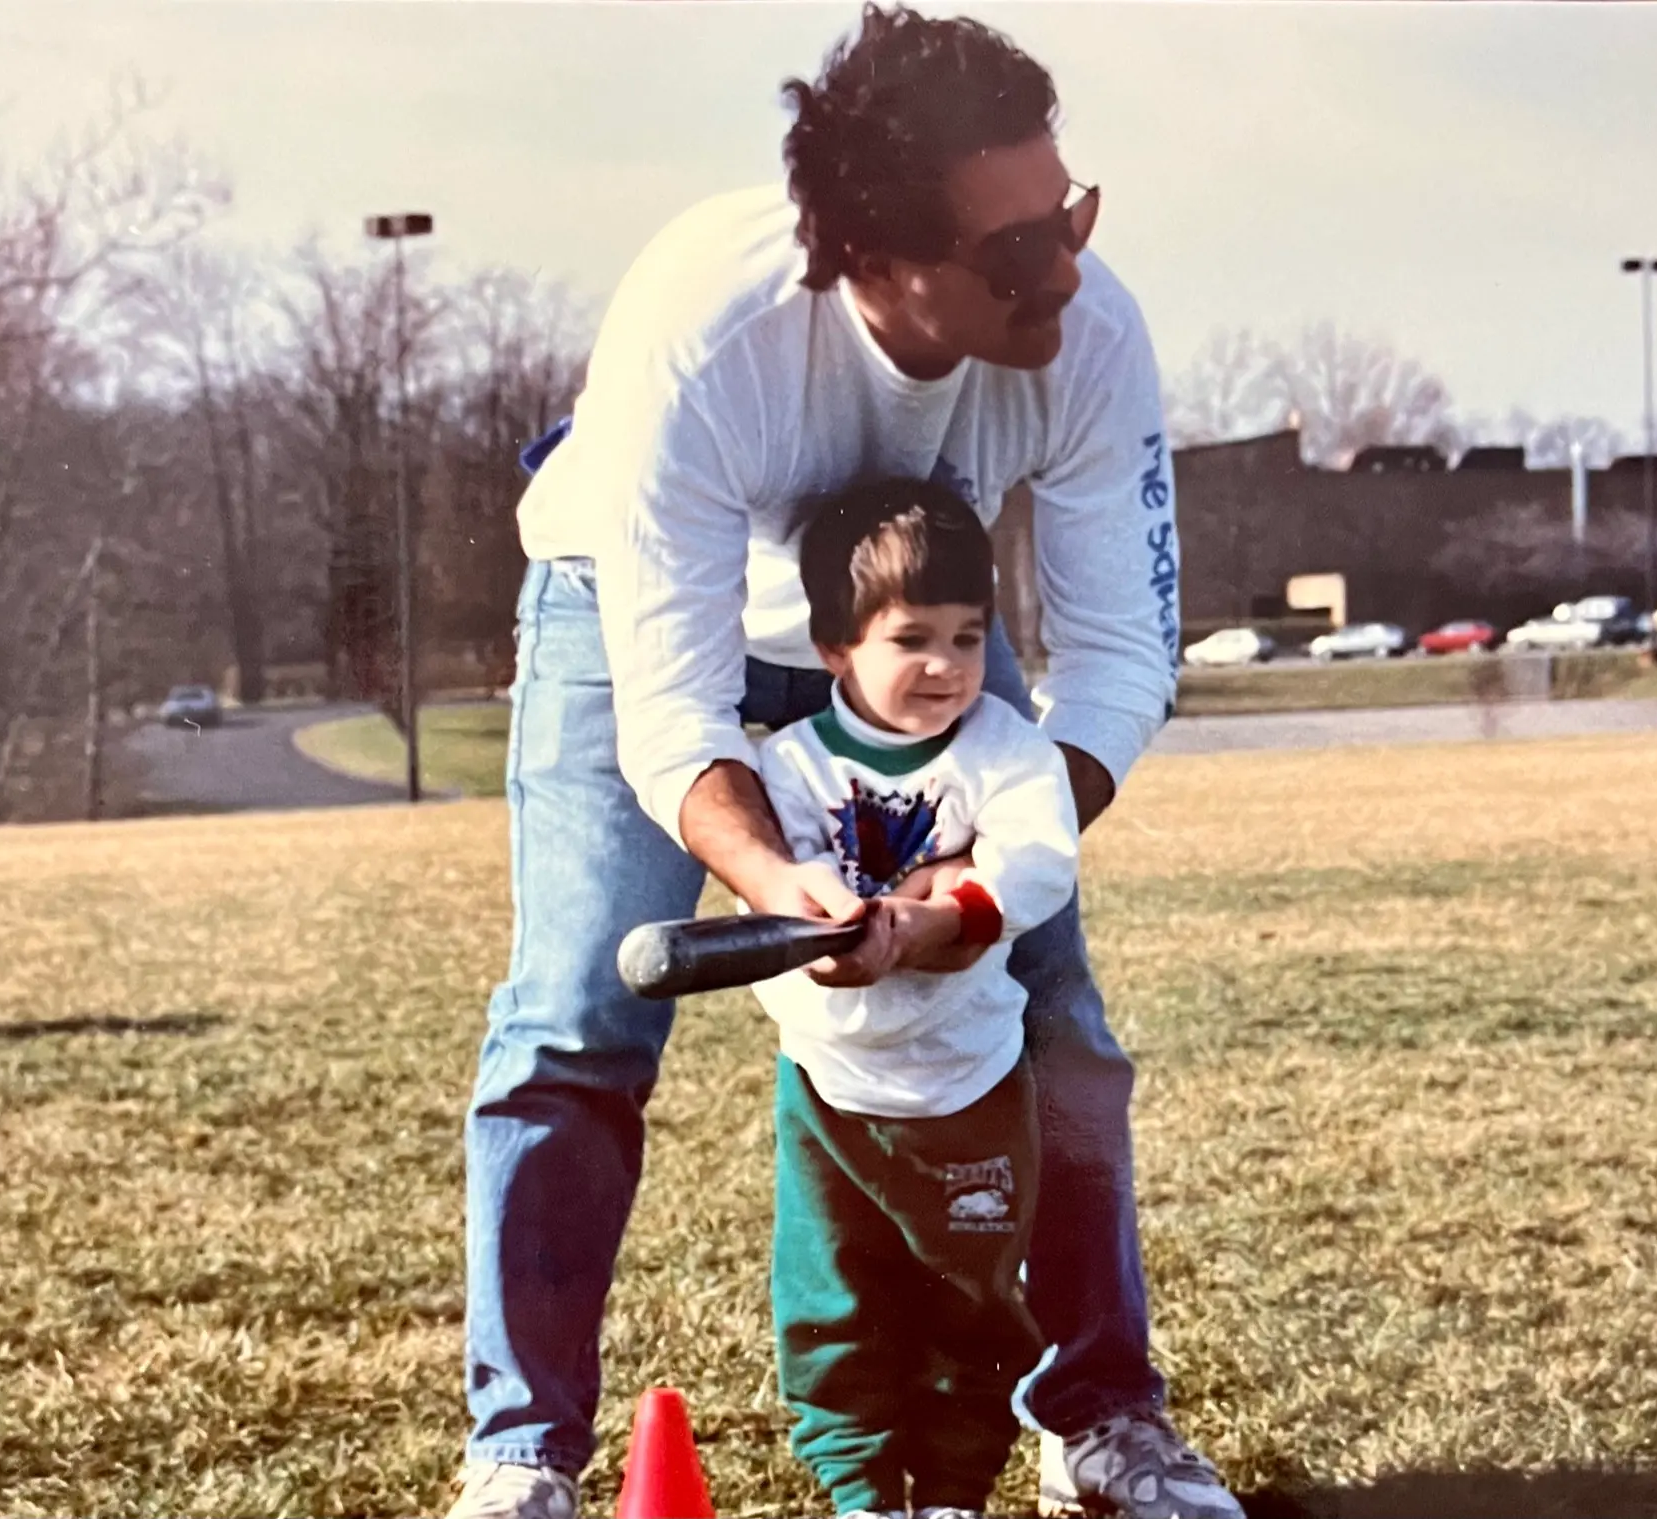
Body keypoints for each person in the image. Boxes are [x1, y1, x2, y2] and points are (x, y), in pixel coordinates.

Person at [449, 8, 1243, 1519]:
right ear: (871, 257)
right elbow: (677, 713)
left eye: (1068, 217)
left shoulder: (1090, 332)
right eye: (1015, 252)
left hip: (913, 630)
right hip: (629, 616)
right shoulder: (707, 316)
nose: (1064, 273)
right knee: (574, 1015)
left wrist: (977, 886)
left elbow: (1121, 658)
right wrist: (790, 883)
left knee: (1054, 1011)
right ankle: (520, 1455)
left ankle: (1104, 1417)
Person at [755, 479, 1079, 1519]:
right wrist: (844, 927)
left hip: (966, 1076)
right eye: (911, 639)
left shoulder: (1003, 750)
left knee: (971, 1298)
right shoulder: (788, 768)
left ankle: (949, 1493)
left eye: (968, 636)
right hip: (830, 1084)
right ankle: (861, 1492)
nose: (945, 665)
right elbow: (784, 899)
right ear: (834, 646)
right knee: (831, 1300)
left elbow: (1034, 864)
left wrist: (942, 917)